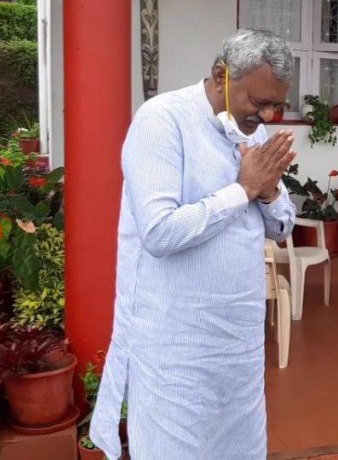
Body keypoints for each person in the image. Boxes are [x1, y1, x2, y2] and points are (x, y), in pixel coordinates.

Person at [90, 29, 298, 459]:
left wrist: (269, 192)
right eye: (258, 102)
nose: (268, 115)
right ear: (221, 74)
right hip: (175, 342)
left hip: (238, 338)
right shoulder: (162, 120)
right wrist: (242, 189)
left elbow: (280, 228)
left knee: (238, 447)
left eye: (276, 104)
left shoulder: (253, 135)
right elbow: (159, 232)